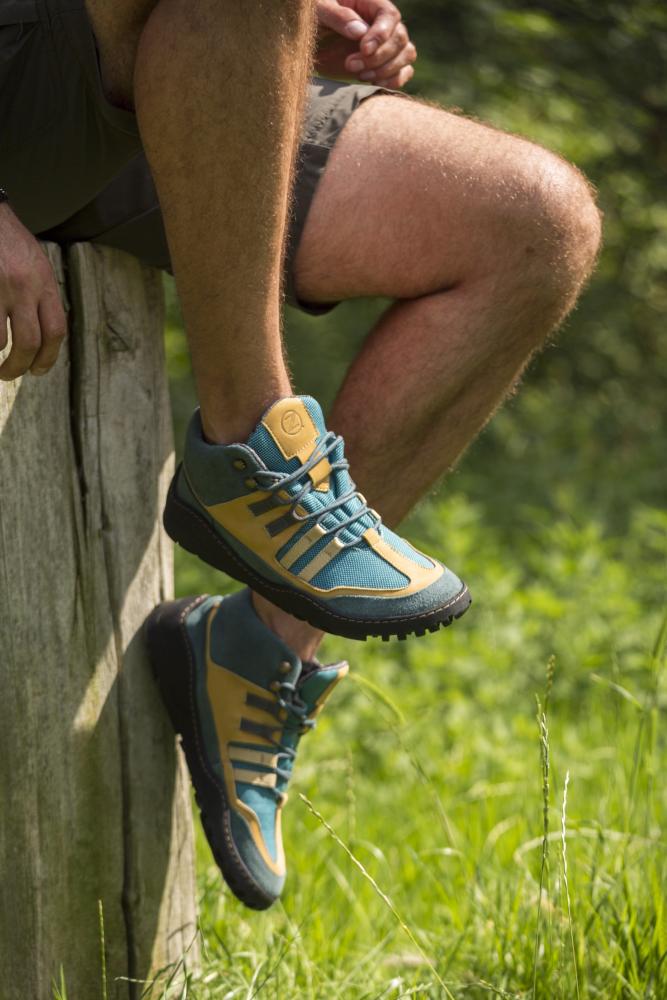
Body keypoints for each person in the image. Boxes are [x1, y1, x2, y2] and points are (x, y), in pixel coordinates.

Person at [0, 0, 601, 910]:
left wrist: (286, 32)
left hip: (107, 86)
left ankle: (257, 649)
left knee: (531, 223)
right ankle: (253, 451)